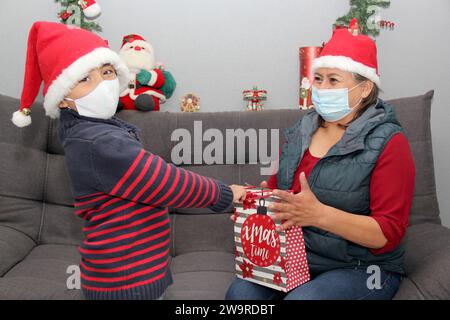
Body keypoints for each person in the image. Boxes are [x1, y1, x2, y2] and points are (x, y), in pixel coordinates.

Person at [12, 21, 246, 300]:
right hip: (125, 282)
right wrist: (225, 193)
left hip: (136, 270)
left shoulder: (97, 131)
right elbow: (163, 181)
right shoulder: (97, 142)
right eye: (85, 79)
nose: (104, 84)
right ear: (63, 99)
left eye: (107, 72)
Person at [226, 24, 415, 300]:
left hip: (365, 268)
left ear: (365, 89)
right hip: (299, 256)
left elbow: (387, 234)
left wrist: (319, 215)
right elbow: (285, 196)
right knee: (240, 296)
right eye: (318, 78)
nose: (322, 88)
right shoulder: (303, 128)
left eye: (334, 80)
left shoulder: (390, 142)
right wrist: (256, 206)